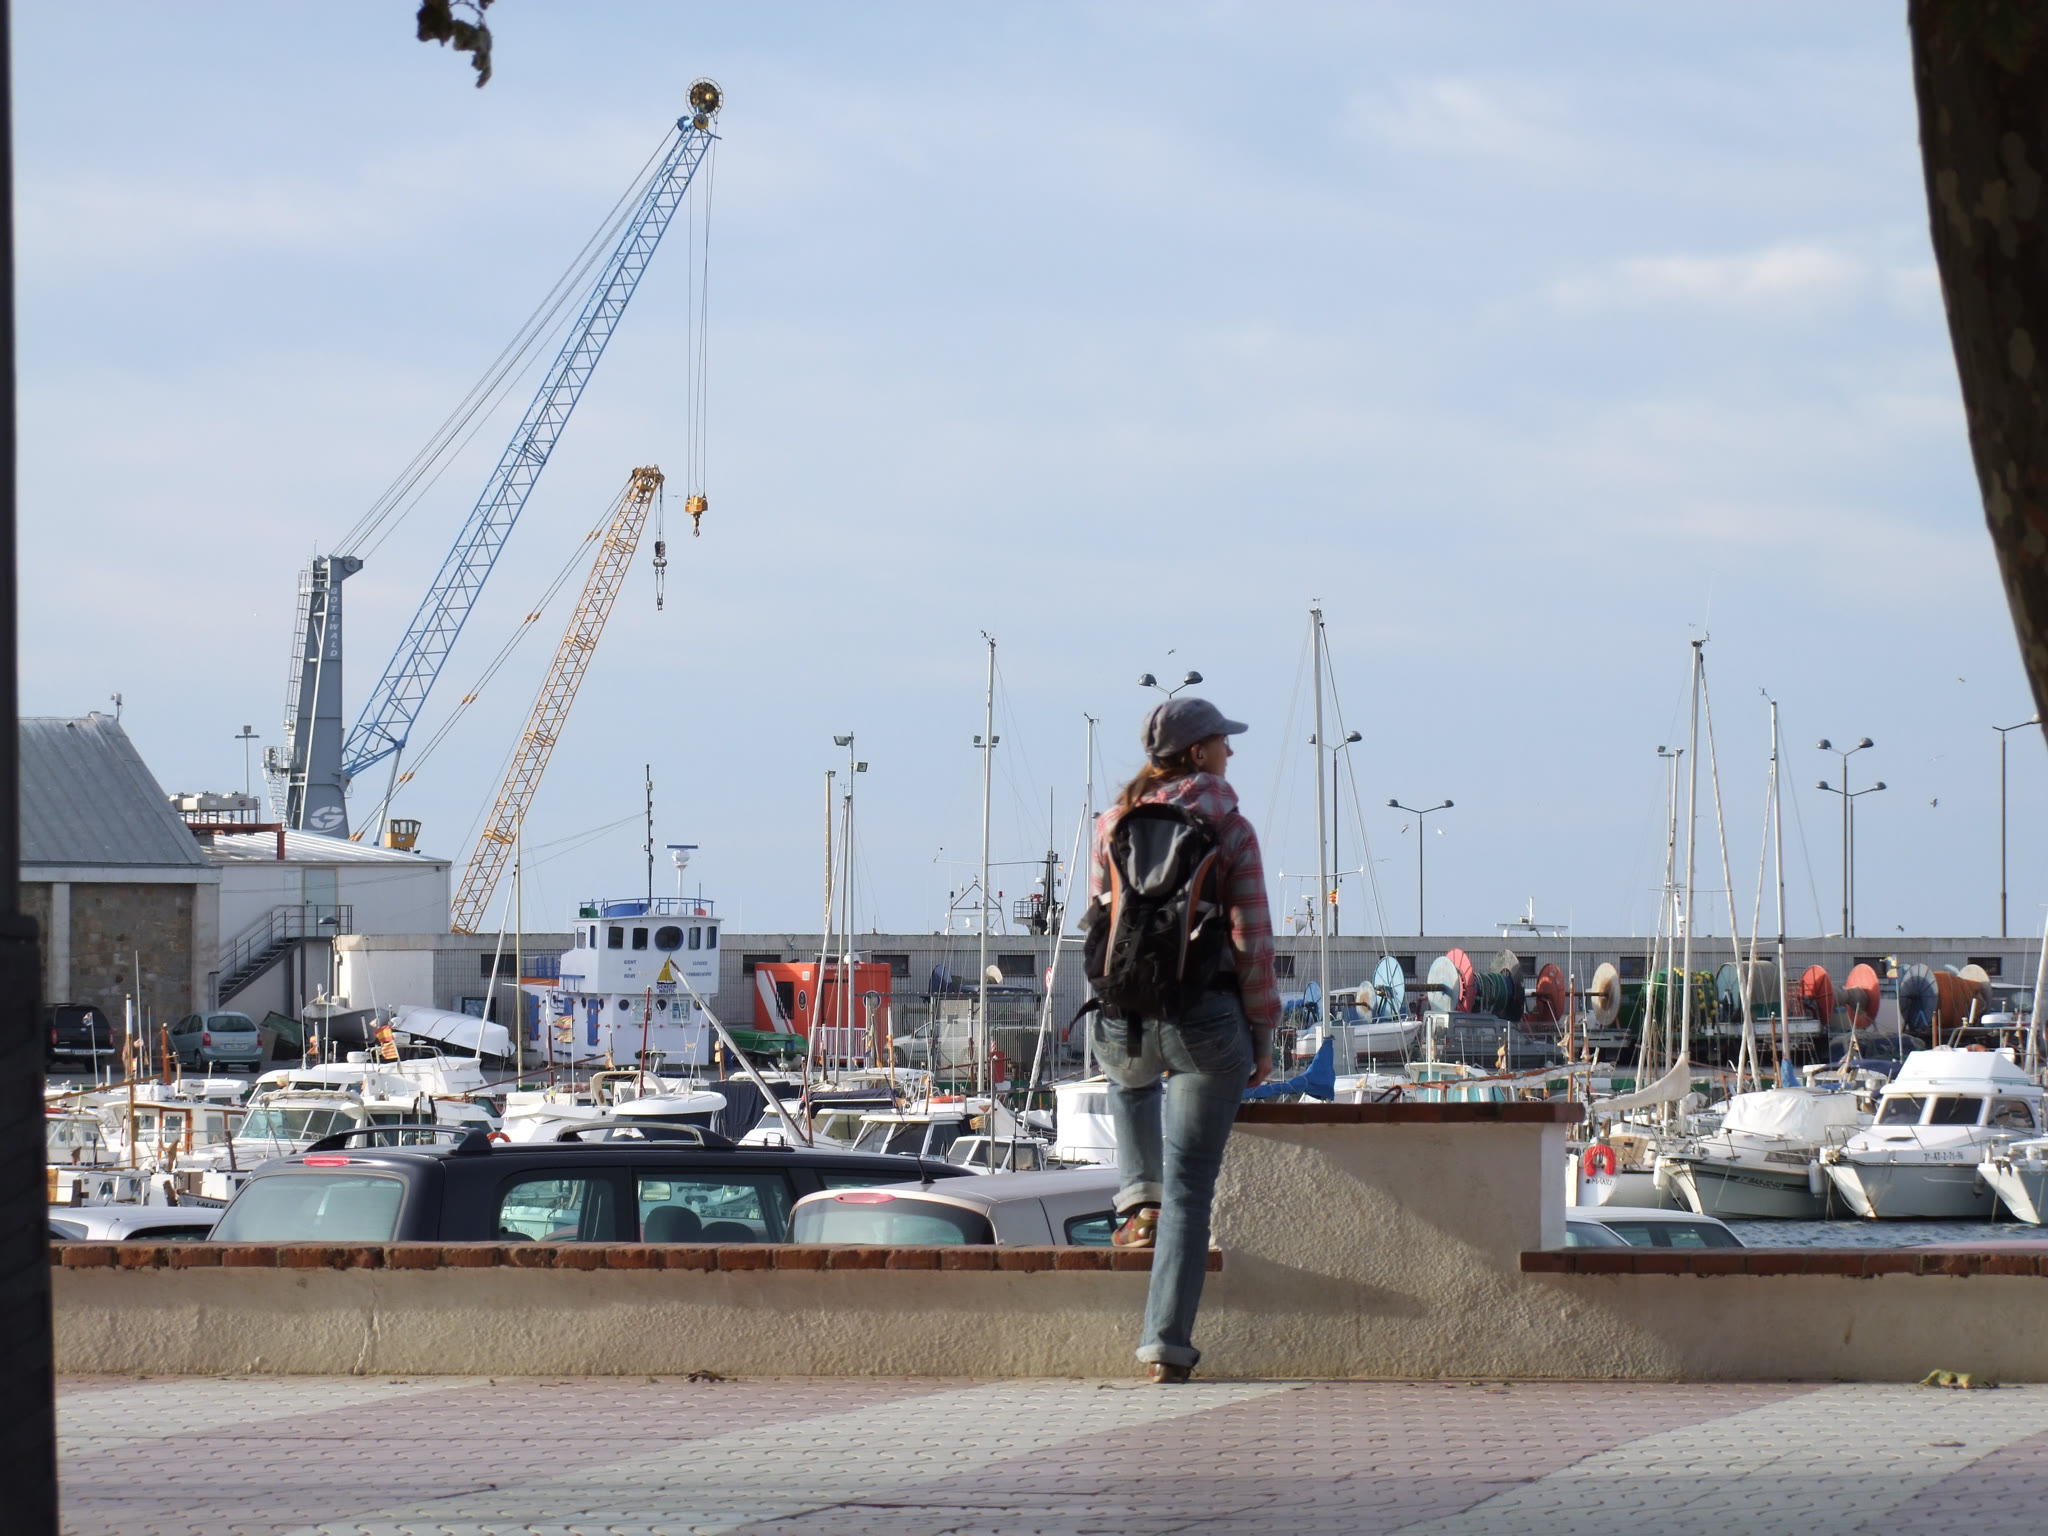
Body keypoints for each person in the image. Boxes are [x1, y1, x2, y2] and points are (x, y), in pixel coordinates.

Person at [1089, 696, 1278, 1383]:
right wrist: (1263, 1035)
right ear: (1198, 752)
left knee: (1127, 1079)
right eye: (1224, 741)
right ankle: (1165, 1347)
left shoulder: (1114, 823)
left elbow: (1102, 921)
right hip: (1208, 1021)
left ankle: (1139, 1196)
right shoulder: (1230, 827)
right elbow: (1251, 943)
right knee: (1192, 1192)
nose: (1232, 751)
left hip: (1126, 1018)